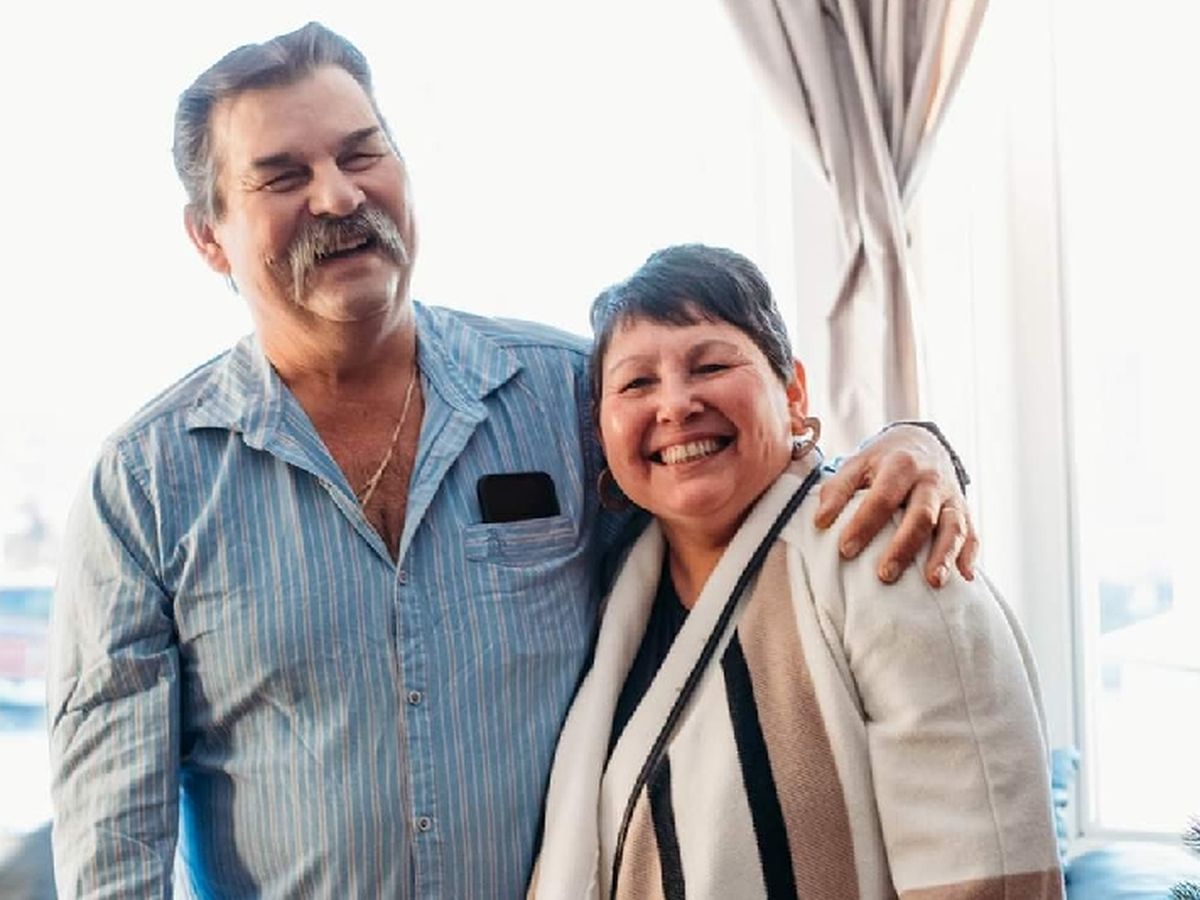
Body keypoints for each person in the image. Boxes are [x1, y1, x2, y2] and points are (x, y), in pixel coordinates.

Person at [48, 23, 977, 899]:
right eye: (283, 176)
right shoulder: (145, 487)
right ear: (208, 236)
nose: (337, 196)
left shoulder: (567, 395)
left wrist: (912, 446)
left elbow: (738, 482)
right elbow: (112, 853)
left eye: (362, 154)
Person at [530, 244, 1062, 899]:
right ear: (601, 432)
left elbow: (985, 871)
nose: (675, 404)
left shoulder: (886, 553)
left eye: (711, 365)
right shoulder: (605, 592)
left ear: (793, 393)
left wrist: (919, 441)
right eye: (637, 383)